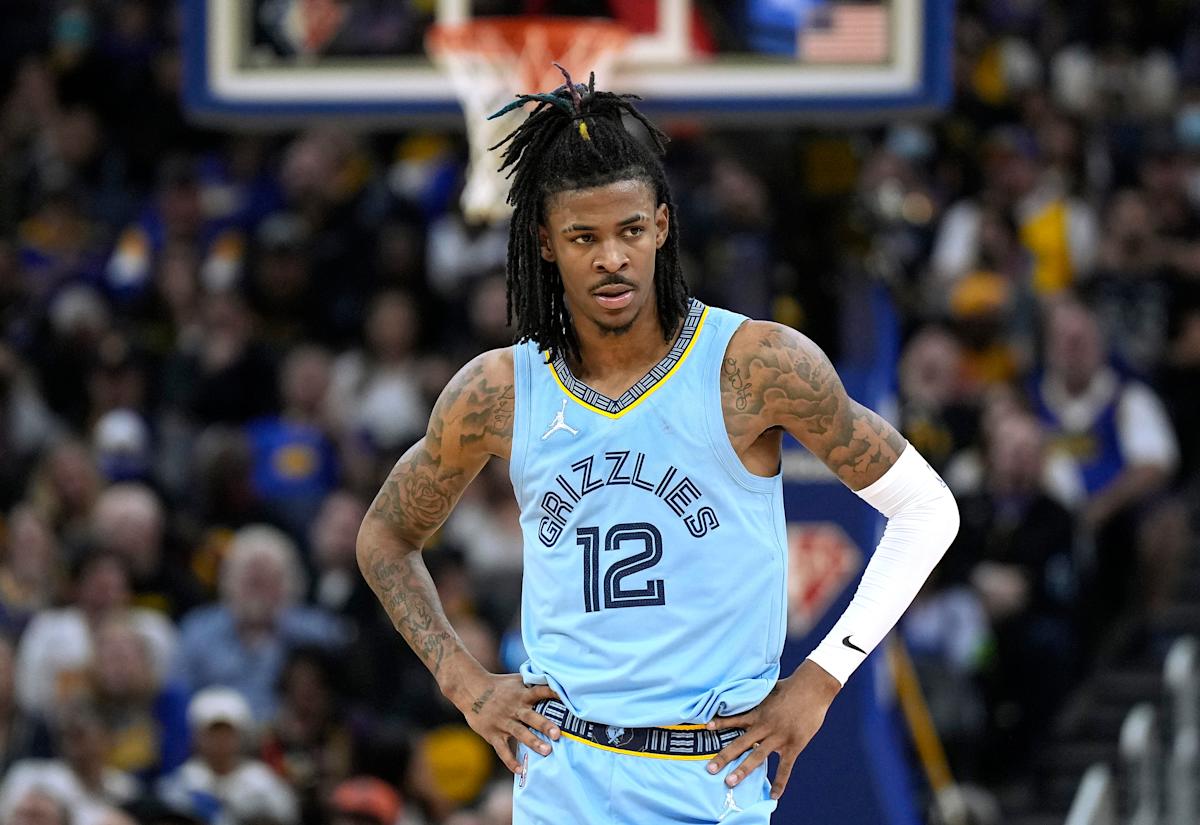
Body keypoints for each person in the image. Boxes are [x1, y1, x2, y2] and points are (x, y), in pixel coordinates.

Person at [356, 72, 959, 824]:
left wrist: (824, 675)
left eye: (630, 231)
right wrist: (462, 680)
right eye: (584, 237)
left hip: (707, 774)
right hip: (561, 775)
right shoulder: (498, 390)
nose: (611, 257)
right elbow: (384, 536)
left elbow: (927, 510)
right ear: (545, 242)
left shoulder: (755, 366)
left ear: (663, 226)